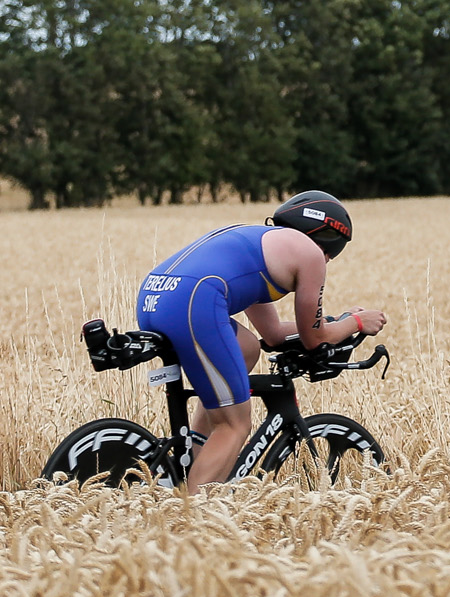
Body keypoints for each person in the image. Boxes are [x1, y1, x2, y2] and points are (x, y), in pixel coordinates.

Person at [137, 190, 387, 488]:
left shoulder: (262, 244)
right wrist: (357, 321)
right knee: (235, 425)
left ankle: (195, 458)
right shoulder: (309, 253)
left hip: (154, 299)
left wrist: (338, 321)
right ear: (332, 240)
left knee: (247, 349)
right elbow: (314, 339)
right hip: (193, 304)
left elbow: (272, 335)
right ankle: (189, 519)